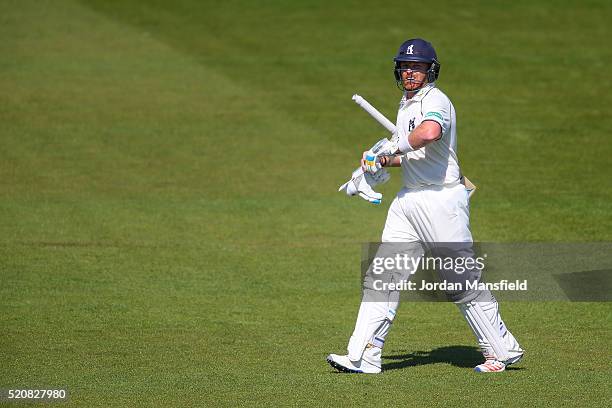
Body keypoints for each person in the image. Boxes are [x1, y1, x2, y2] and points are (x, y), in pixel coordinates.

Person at [327, 38, 524, 373]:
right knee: (383, 277)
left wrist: (396, 145)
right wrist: (380, 160)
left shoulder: (437, 101)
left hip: (441, 199)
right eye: (405, 67)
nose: (410, 73)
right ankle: (365, 355)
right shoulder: (404, 106)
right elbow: (415, 156)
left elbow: (430, 133)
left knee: (459, 280)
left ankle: (501, 351)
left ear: (430, 70)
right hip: (409, 201)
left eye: (417, 67)